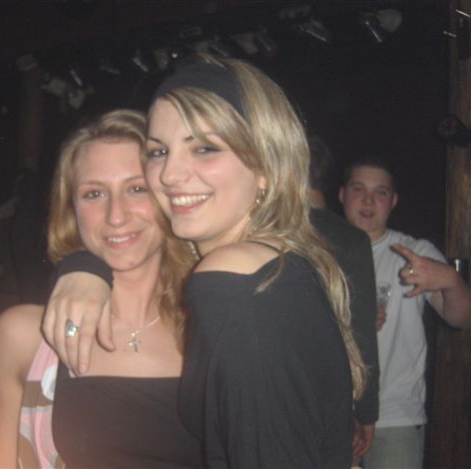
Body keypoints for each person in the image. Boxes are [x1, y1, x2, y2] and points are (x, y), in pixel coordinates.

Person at [43, 54, 368, 468]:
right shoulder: (281, 267)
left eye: (204, 148)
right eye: (159, 151)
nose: (170, 174)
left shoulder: (234, 277)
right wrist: (83, 265)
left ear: (265, 164)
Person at [0, 109, 201, 468]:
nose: (116, 215)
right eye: (94, 194)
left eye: (137, 189)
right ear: (71, 210)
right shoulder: (26, 337)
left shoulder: (210, 329)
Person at [338, 156, 471, 469]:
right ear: (342, 195)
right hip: (333, 414)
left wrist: (451, 281)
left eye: (381, 192)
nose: (369, 200)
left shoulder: (414, 253)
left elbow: (462, 319)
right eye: (359, 189)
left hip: (396, 417)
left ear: (393, 201)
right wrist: (350, 326)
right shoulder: (321, 252)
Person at [308, 136, 380, 460]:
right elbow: (361, 333)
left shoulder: (257, 232)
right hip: (329, 398)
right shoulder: (350, 240)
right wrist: (367, 412)